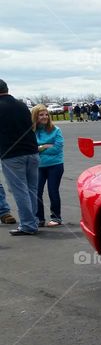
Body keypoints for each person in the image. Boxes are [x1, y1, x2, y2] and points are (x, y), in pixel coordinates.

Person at [0, 79, 40, 235]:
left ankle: (28, 225)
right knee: (32, 189)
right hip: (32, 151)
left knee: (20, 191)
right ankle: (33, 221)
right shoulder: (21, 105)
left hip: (12, 155)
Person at [31, 105, 64, 227]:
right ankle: (39, 218)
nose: (44, 117)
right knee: (37, 192)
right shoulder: (32, 131)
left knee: (52, 191)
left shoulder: (56, 130)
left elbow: (57, 148)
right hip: (38, 166)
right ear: (35, 116)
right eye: (41, 115)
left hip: (55, 165)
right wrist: (44, 146)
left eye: (46, 114)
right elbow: (31, 148)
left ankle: (56, 218)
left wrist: (39, 149)